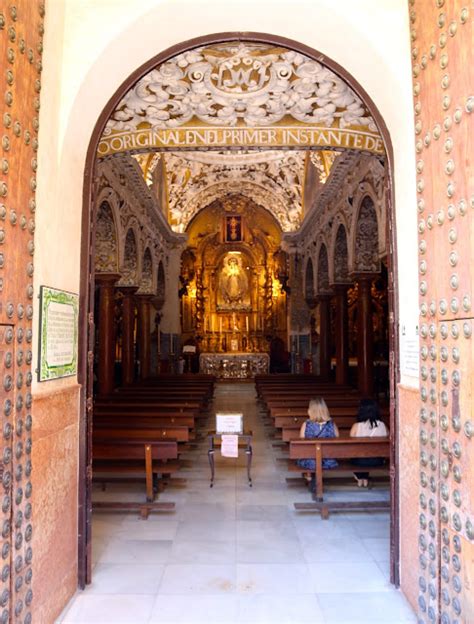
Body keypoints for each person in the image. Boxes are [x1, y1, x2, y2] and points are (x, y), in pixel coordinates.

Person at [297, 397, 339, 481]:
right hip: (329, 461)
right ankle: (314, 475)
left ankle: (309, 474)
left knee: (306, 455)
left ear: (310, 410)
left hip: (310, 461)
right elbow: (337, 439)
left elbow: (301, 443)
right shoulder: (332, 424)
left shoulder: (306, 425)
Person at [350, 399, 389, 487]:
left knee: (359, 456)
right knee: (369, 455)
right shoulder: (383, 425)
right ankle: (364, 478)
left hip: (359, 461)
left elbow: (351, 443)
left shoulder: (356, 426)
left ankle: (361, 477)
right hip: (378, 461)